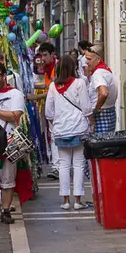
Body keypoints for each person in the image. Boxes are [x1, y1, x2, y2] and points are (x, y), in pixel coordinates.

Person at [45, 55, 93, 210]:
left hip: (60, 130)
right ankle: (78, 200)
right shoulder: (80, 83)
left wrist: (56, 124)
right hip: (78, 128)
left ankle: (66, 200)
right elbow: (86, 107)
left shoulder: (53, 86)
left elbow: (48, 112)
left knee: (64, 165)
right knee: (78, 164)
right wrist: (92, 122)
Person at [0, 62, 24, 224]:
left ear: (4, 76)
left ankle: (6, 210)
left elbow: (15, 115)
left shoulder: (15, 94)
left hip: (9, 141)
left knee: (8, 178)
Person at [36, 43, 60, 179]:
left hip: (58, 107)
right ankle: (56, 165)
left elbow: (53, 89)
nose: (43, 58)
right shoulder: (47, 68)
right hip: (51, 106)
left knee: (55, 136)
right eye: (41, 55)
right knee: (52, 136)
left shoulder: (56, 68)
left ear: (52, 54)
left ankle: (57, 167)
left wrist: (35, 96)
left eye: (45, 55)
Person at [85, 43, 118, 133]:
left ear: (98, 59)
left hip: (101, 115)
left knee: (100, 145)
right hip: (110, 113)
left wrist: (96, 109)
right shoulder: (106, 71)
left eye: (89, 59)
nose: (86, 62)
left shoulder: (98, 74)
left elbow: (104, 93)